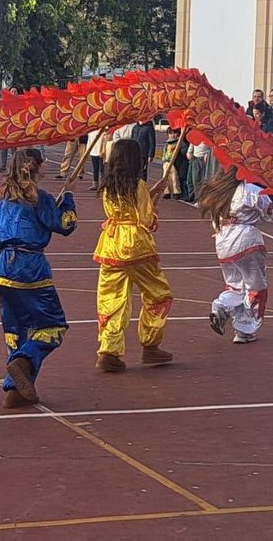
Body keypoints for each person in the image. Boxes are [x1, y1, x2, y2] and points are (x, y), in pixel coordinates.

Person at [0, 148, 76, 406]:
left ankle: (15, 390)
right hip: (30, 269)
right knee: (52, 325)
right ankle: (22, 361)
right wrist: (68, 198)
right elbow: (65, 225)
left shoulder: (5, 199)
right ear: (34, 167)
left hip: (4, 267)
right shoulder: (40, 199)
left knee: (17, 328)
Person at [93, 138, 174, 371]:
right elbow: (146, 219)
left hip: (111, 243)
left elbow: (126, 208)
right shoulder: (136, 185)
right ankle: (150, 344)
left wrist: (151, 194)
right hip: (137, 245)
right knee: (159, 293)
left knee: (111, 298)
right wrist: (152, 206)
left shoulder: (109, 185)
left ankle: (109, 349)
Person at [198, 170, 273, 343]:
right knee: (256, 287)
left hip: (223, 242)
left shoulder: (218, 191)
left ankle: (222, 306)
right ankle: (245, 328)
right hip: (247, 242)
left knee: (235, 286)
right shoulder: (251, 190)